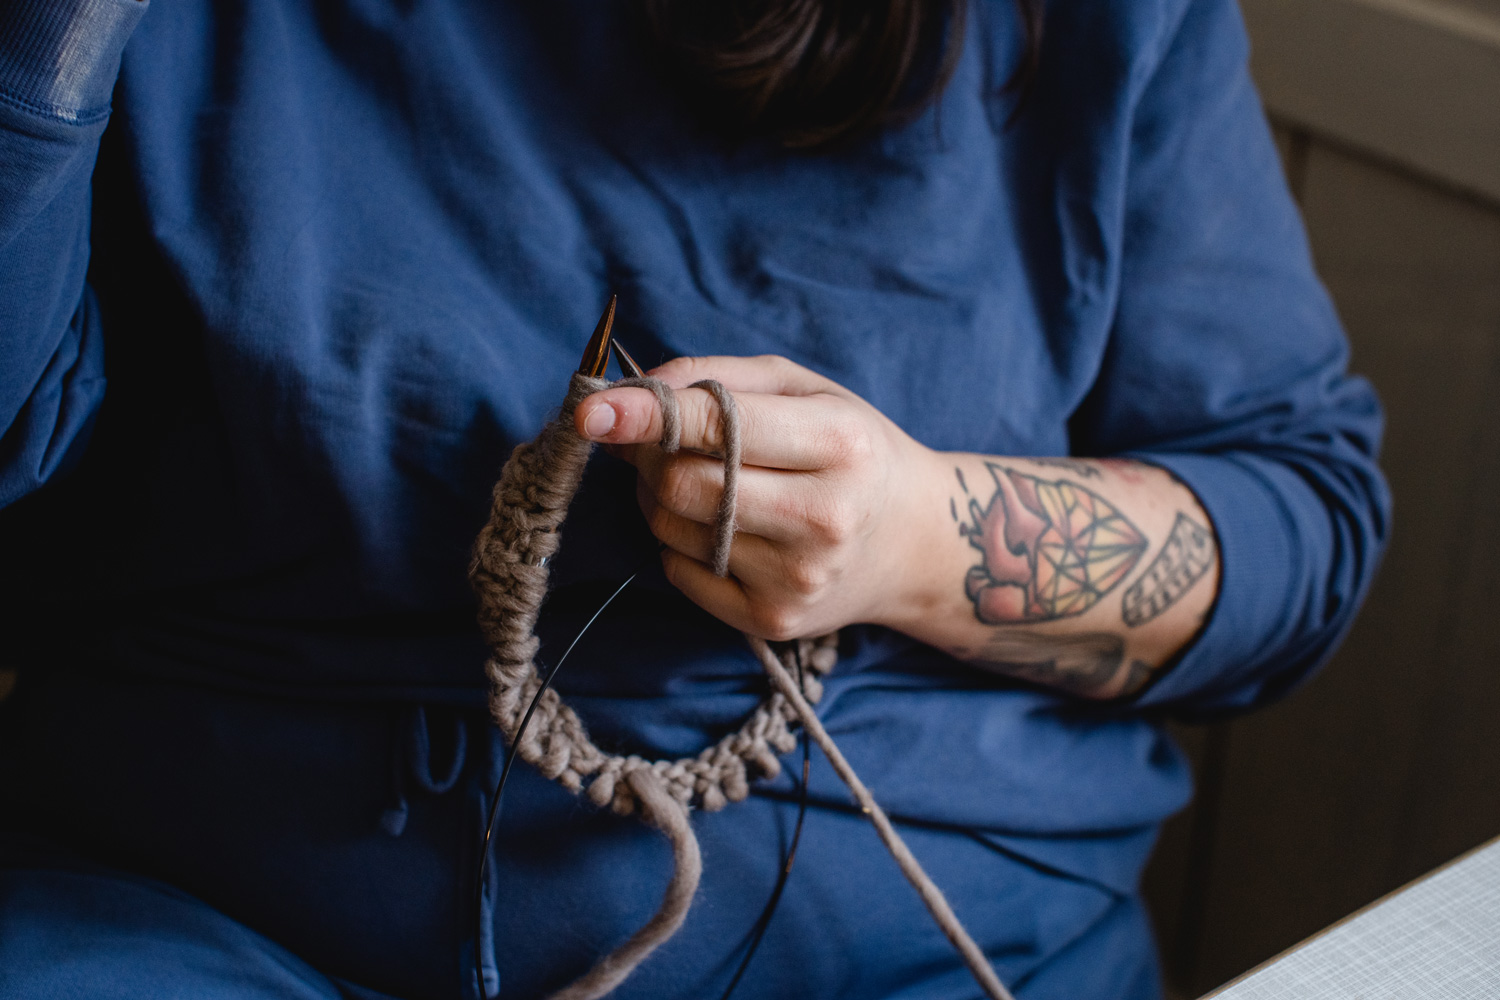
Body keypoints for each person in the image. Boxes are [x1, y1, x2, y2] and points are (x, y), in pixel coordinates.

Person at [0, 0, 1388, 997]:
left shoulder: (1086, 29)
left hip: (922, 939)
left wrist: (912, 533)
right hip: (198, 911)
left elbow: (1297, 526)